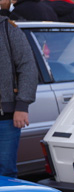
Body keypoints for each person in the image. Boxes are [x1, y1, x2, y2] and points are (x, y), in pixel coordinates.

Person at [0, 14, 38, 178]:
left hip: (5, 116)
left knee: (6, 173)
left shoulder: (7, 28)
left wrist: (22, 104)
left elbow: (28, 66)